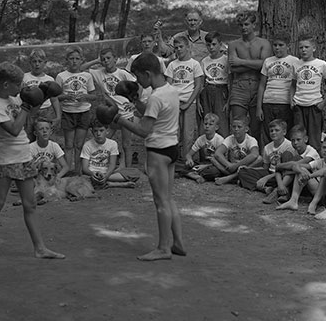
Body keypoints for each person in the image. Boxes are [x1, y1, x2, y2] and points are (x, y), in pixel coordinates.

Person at [0, 62, 65, 266]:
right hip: (6, 160)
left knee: (30, 204)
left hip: (24, 157)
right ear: (6, 84)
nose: (21, 87)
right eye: (18, 84)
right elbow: (15, 128)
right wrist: (27, 106)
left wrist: (44, 93)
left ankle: (40, 248)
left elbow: (30, 113)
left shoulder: (13, 98)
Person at [113, 52, 187, 261]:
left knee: (160, 201)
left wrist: (120, 119)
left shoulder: (155, 96)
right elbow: (154, 113)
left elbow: (144, 130)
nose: (137, 81)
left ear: (147, 73)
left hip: (157, 152)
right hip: (171, 149)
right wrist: (136, 101)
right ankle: (178, 243)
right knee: (168, 199)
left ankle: (163, 248)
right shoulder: (171, 90)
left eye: (138, 77)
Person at [228, 12, 272, 142]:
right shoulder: (233, 45)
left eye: (246, 24)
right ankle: (237, 154)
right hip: (239, 86)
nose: (244, 27)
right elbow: (232, 67)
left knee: (256, 125)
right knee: (237, 123)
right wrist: (256, 64)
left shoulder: (264, 43)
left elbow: (265, 64)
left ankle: (256, 155)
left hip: (258, 86)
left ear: (254, 24)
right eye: (241, 25)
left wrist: (241, 62)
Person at [90, 47, 138, 167]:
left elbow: (138, 86)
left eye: (108, 58)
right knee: (102, 140)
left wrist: (134, 103)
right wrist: (96, 60)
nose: (106, 61)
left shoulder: (122, 73)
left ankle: (128, 169)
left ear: (115, 59)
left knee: (126, 143)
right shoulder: (99, 73)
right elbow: (81, 69)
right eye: (103, 59)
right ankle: (100, 165)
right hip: (109, 113)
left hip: (125, 114)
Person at [276, 135, 326, 213]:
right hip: (319, 193)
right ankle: (293, 201)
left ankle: (313, 204)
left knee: (325, 175)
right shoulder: (320, 161)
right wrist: (300, 171)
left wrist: (309, 176)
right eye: (324, 147)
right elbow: (296, 166)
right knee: (302, 170)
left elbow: (325, 171)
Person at [237, 118, 296, 203]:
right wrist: (249, 169)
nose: (273, 132)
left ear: (284, 132)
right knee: (242, 171)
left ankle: (281, 190)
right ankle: (266, 188)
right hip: (270, 173)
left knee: (286, 160)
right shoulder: (267, 147)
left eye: (277, 130)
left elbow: (287, 170)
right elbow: (265, 167)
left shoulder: (289, 146)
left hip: (282, 176)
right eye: (271, 131)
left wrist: (266, 178)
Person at [56, 47, 96, 173]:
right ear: (66, 60)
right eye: (71, 59)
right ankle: (67, 171)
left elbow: (94, 95)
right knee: (69, 145)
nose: (74, 61)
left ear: (82, 60)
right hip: (68, 113)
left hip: (83, 112)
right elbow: (55, 96)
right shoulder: (61, 76)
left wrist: (85, 97)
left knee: (79, 145)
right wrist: (66, 96)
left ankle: (78, 172)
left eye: (77, 59)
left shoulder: (87, 75)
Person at [165, 36, 205, 160]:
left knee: (188, 134)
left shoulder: (195, 64)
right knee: (174, 132)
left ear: (188, 47)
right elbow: (168, 84)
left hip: (189, 101)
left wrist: (189, 102)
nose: (179, 50)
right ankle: (174, 159)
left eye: (181, 47)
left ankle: (186, 159)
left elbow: (198, 86)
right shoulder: (172, 65)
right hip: (174, 102)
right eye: (176, 48)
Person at [292, 35, 326, 151]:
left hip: (315, 106)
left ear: (313, 48)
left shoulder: (321, 64)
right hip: (299, 105)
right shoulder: (296, 64)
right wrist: (291, 100)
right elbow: (292, 85)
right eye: (301, 48)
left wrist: (324, 103)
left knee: (314, 139)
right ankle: (299, 162)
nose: (303, 50)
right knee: (298, 138)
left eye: (306, 47)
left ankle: (315, 163)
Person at [257, 38, 299, 143]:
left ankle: (285, 157)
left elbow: (296, 84)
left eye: (281, 45)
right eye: (275, 45)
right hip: (268, 101)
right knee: (269, 132)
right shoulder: (268, 61)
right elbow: (262, 84)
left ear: (288, 45)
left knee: (285, 132)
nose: (277, 48)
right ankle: (269, 156)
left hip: (285, 103)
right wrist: (259, 107)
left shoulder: (294, 61)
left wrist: (293, 100)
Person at [80, 118, 138, 188]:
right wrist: (93, 174)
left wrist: (106, 176)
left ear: (107, 131)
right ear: (92, 132)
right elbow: (85, 168)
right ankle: (114, 184)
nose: (98, 134)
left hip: (108, 173)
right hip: (92, 173)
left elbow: (112, 164)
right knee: (82, 179)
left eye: (101, 131)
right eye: (95, 131)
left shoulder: (113, 144)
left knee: (134, 172)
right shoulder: (87, 145)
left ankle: (103, 181)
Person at [271, 124, 319, 203]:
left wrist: (280, 166)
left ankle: (277, 191)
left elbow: (295, 165)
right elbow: (278, 169)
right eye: (293, 140)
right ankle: (284, 190)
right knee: (286, 154)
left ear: (306, 139)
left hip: (307, 182)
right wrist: (280, 184)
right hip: (294, 181)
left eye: (298, 139)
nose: (295, 143)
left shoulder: (312, 152)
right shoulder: (291, 150)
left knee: (296, 161)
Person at [21, 49, 61, 140]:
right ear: (30, 63)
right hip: (30, 111)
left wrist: (58, 116)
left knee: (46, 138)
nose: (37, 64)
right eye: (34, 61)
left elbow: (54, 99)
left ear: (45, 63)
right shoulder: (24, 77)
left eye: (40, 61)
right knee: (29, 136)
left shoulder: (49, 79)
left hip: (46, 111)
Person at [212, 118, 260, 185]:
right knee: (213, 158)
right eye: (234, 127)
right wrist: (229, 165)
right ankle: (236, 177)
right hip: (230, 167)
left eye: (239, 127)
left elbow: (254, 154)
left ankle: (231, 177)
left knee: (259, 159)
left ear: (246, 129)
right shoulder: (229, 138)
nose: (236, 129)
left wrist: (236, 166)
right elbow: (217, 153)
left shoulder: (251, 140)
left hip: (243, 167)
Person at [199, 31, 230, 136]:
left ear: (220, 44)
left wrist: (228, 100)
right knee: (207, 121)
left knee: (221, 121)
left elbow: (230, 81)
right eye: (208, 45)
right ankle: (206, 150)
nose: (211, 47)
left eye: (214, 44)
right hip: (207, 90)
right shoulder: (204, 61)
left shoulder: (226, 60)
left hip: (221, 91)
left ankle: (223, 149)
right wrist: (199, 101)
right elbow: (201, 83)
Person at [183, 112, 225, 183]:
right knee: (182, 164)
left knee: (215, 171)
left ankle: (193, 174)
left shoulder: (219, 140)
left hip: (215, 165)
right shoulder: (201, 139)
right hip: (202, 163)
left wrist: (204, 166)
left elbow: (222, 162)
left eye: (210, 124)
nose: (207, 126)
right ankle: (196, 175)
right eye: (205, 124)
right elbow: (189, 154)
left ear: (216, 127)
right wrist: (189, 160)